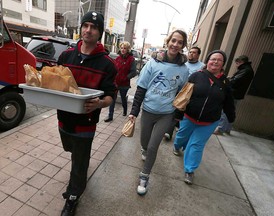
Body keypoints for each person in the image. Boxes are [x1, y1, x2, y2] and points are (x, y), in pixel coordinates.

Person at [57, 11, 117, 216]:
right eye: (85, 25)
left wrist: (100, 103)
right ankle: (79, 169)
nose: (88, 30)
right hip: (63, 118)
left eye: (93, 27)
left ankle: (73, 197)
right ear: (81, 28)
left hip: (86, 123)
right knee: (71, 151)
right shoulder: (66, 56)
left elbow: (111, 96)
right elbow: (56, 82)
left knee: (79, 162)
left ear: (99, 32)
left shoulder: (107, 63)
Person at [128, 29, 189, 195]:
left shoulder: (183, 70)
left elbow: (180, 94)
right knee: (145, 142)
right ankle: (144, 149)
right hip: (148, 110)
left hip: (166, 113)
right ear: (168, 41)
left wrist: (176, 117)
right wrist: (134, 111)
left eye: (180, 42)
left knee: (154, 146)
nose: (175, 44)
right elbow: (141, 88)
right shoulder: (153, 63)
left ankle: (144, 176)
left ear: (183, 46)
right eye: (173, 40)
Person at [173, 50, 235, 185]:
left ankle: (189, 170)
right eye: (213, 59)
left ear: (223, 64)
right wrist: (178, 114)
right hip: (190, 117)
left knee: (196, 144)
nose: (216, 62)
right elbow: (184, 96)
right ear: (207, 61)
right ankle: (177, 146)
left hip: (209, 122)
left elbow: (229, 102)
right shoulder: (196, 76)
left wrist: (231, 117)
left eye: (219, 60)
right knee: (182, 137)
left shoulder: (225, 83)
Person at [164, 46, 205, 140]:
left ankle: (180, 130)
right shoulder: (183, 64)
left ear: (198, 55)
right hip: (180, 91)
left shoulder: (202, 66)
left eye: (194, 52)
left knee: (185, 114)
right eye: (190, 52)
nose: (191, 54)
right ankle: (168, 132)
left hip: (193, 93)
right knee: (176, 110)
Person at [214, 55, 254, 135]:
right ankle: (227, 129)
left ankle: (221, 129)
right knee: (231, 110)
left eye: (237, 63)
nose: (236, 65)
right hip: (237, 93)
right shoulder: (247, 69)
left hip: (234, 93)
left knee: (226, 110)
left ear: (241, 62)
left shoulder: (245, 70)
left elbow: (235, 81)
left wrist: (228, 80)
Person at [104, 41, 137, 122]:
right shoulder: (118, 58)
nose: (122, 50)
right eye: (121, 48)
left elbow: (134, 72)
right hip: (116, 83)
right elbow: (114, 69)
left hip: (124, 84)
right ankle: (110, 116)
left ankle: (125, 110)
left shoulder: (131, 59)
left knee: (123, 98)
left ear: (128, 49)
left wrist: (126, 77)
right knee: (113, 98)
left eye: (125, 48)